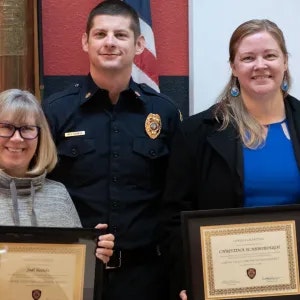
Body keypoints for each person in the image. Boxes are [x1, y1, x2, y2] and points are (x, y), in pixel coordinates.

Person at [42, 1, 181, 299]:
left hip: (147, 276)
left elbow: (177, 198)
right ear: (85, 41)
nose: (109, 42)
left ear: (139, 44)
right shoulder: (55, 111)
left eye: (120, 35)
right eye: (100, 34)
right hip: (74, 271)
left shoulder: (164, 112)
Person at [161, 19, 300, 299]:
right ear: (234, 67)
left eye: (270, 55)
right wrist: (188, 278)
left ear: (285, 62)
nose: (260, 65)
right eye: (248, 58)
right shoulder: (196, 133)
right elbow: (173, 217)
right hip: (223, 283)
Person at [0, 88, 114, 264]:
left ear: (40, 136)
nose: (17, 138)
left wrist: (93, 253)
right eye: (6, 127)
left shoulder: (58, 196)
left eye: (27, 128)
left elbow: (74, 273)